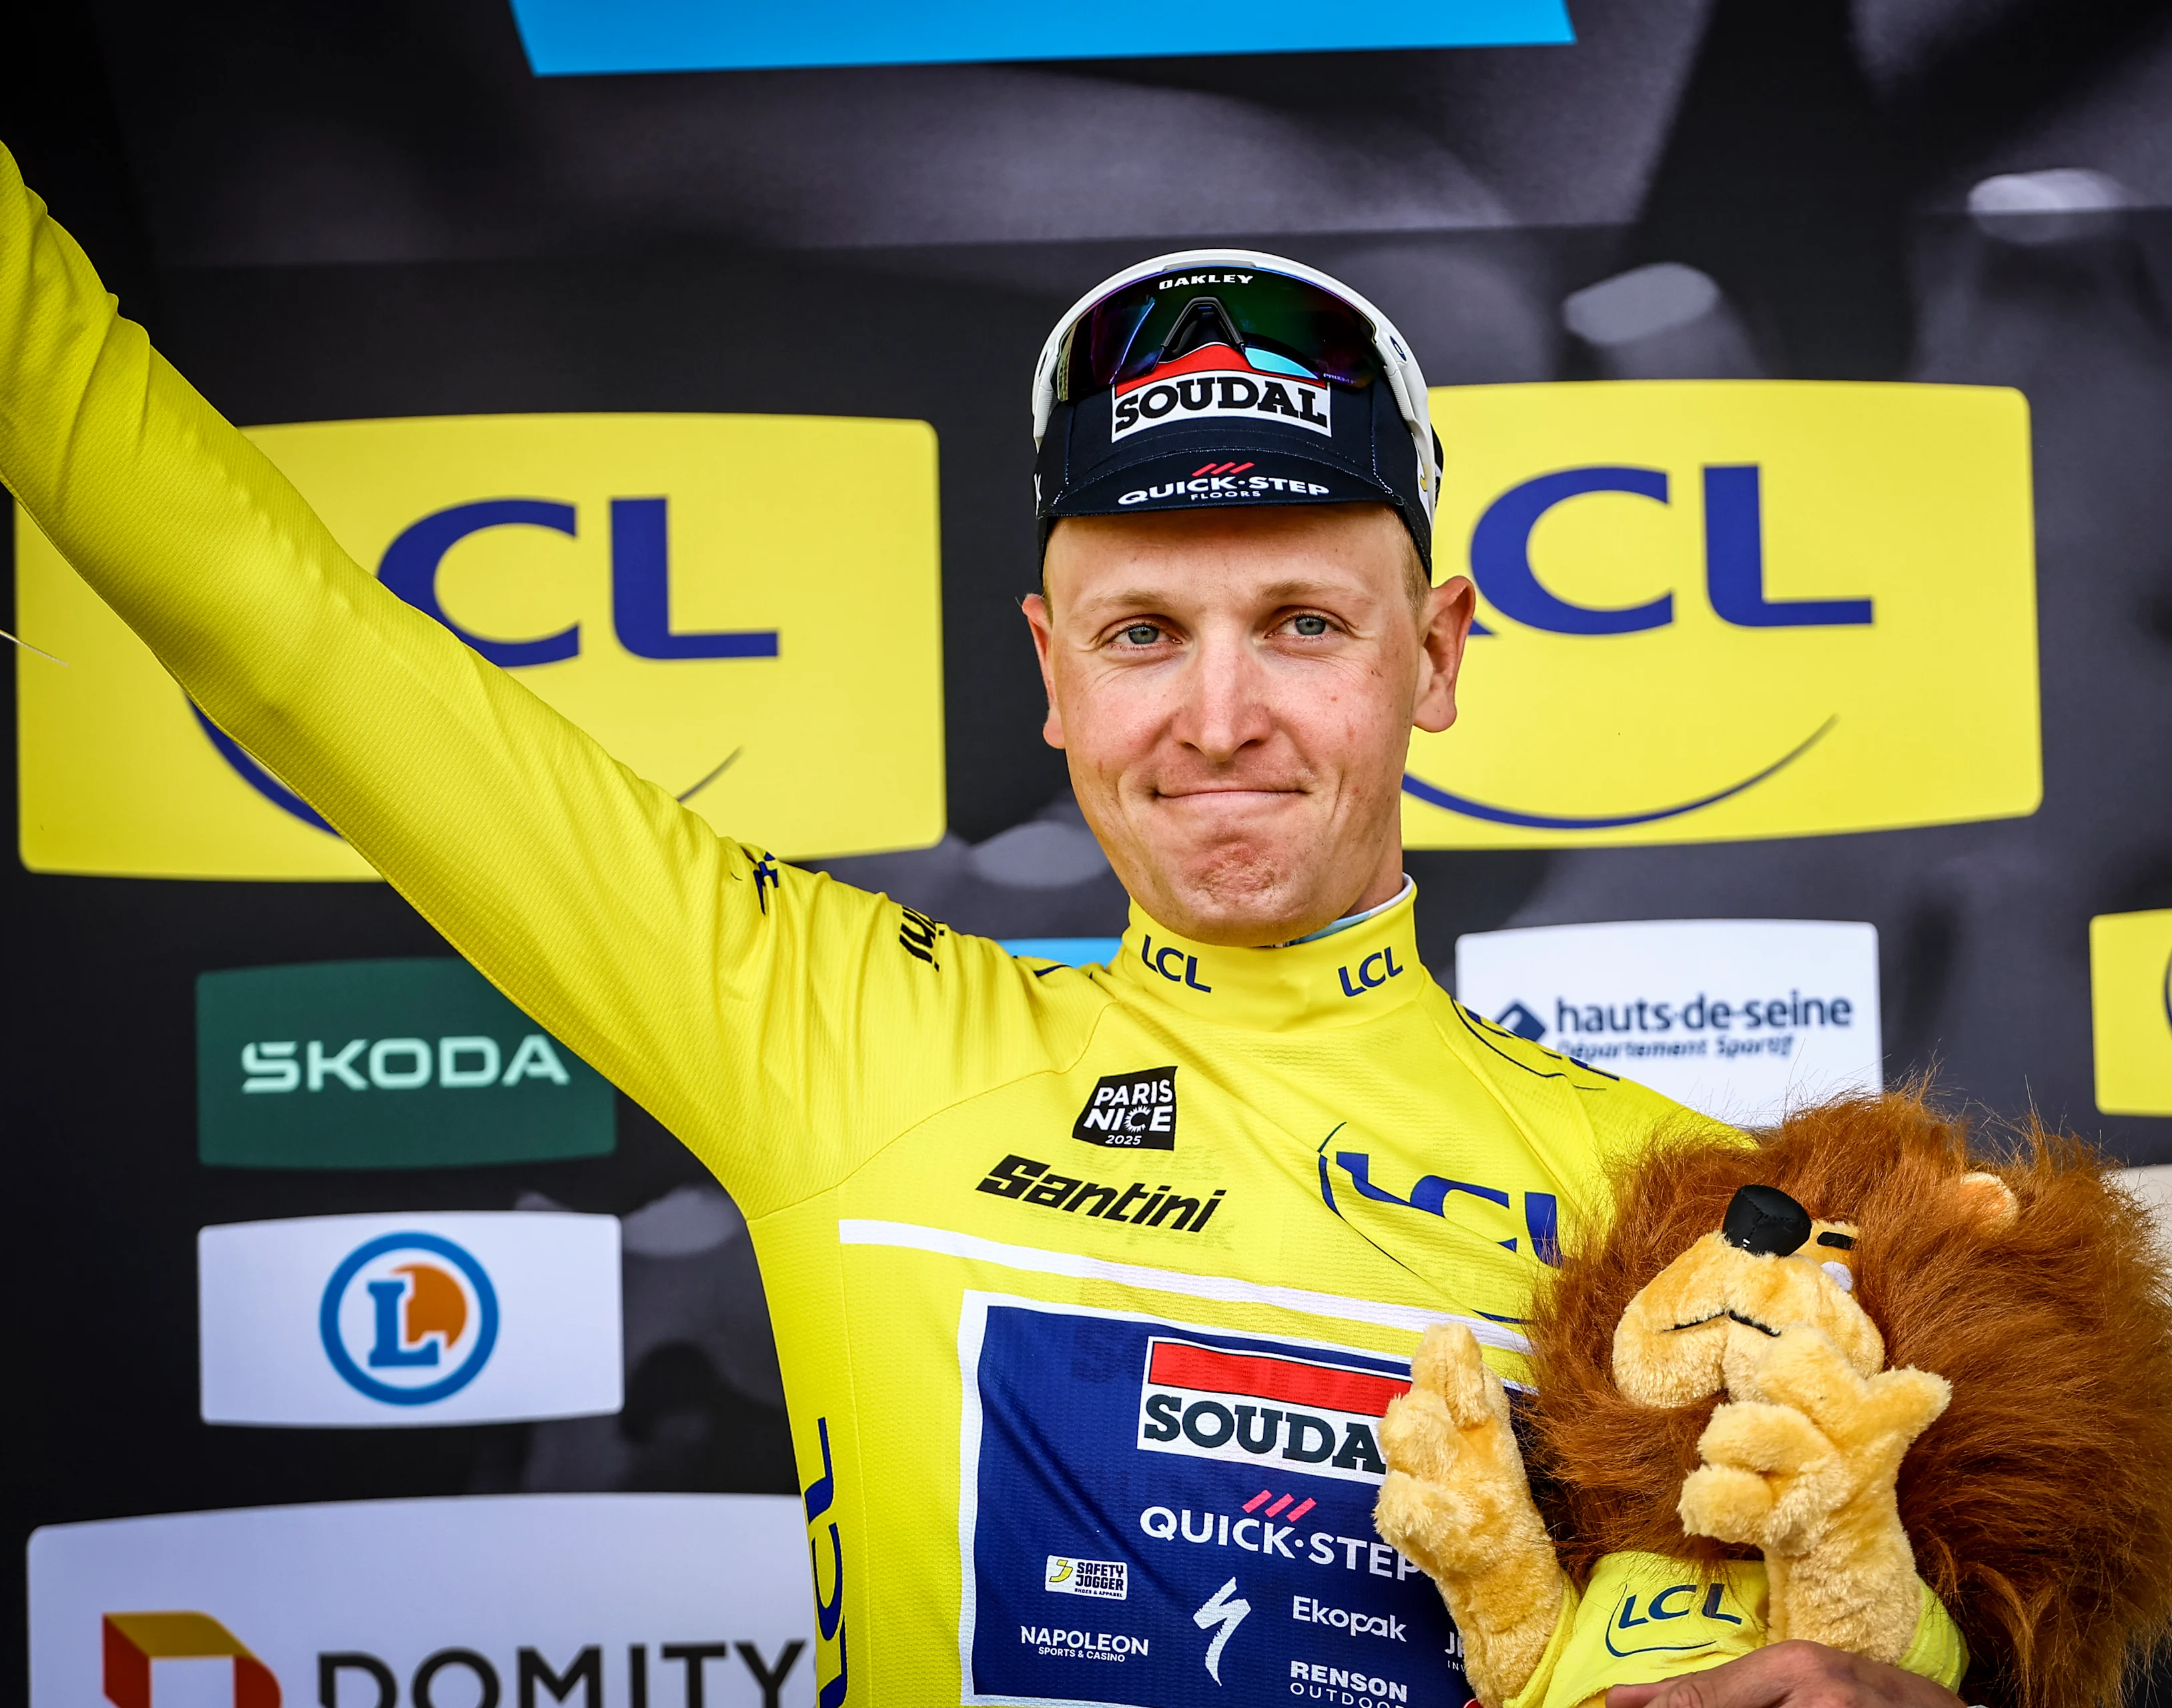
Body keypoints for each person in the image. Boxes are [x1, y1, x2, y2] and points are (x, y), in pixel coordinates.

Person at [0, 145, 1960, 1708]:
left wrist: (1888, 1681)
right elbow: (284, 635)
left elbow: (1820, 1624)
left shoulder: (1665, 1201)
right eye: (1141, 635)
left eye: (1301, 623)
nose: (1217, 718)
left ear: (1432, 656)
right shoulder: (824, 1029)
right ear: (1048, 671)